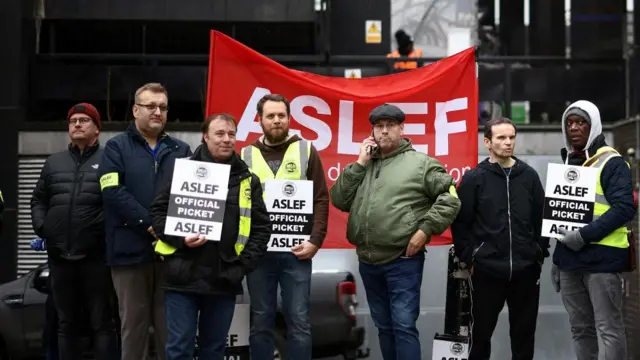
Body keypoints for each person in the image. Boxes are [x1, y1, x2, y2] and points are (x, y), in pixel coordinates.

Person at [330, 104, 460, 360]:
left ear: (402, 128)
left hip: (403, 260)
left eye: (390, 126)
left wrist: (425, 230)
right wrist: (359, 162)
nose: (385, 131)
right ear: (372, 132)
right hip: (368, 260)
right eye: (379, 126)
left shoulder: (421, 163)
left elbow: (450, 196)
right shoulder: (363, 164)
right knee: (384, 328)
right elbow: (339, 199)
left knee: (403, 327)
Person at [150, 113, 271, 359]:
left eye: (231, 134)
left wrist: (242, 266)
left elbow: (261, 229)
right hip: (182, 276)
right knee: (179, 349)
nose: (226, 139)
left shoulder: (248, 180)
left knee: (214, 350)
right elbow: (157, 211)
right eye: (219, 134)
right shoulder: (182, 169)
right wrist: (180, 238)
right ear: (205, 137)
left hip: (224, 279)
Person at [99, 83, 192, 360]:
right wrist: (150, 224)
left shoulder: (182, 149)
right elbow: (112, 190)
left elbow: (189, 195)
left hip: (172, 254)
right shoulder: (116, 147)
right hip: (128, 253)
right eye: (151, 106)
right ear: (135, 109)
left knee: (171, 330)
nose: (157, 112)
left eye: (162, 107)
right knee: (133, 328)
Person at [240, 94, 330, 360]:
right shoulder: (245, 154)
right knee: (260, 322)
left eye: (282, 115)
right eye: (271, 116)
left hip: (297, 252)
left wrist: (315, 240)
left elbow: (321, 198)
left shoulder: (306, 150)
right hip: (258, 255)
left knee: (299, 323)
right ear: (260, 120)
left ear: (289, 118)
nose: (277, 120)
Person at [451, 117, 549, 360]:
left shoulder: (529, 176)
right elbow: (461, 223)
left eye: (511, 137)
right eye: (501, 138)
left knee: (524, 336)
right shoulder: (475, 178)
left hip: (525, 270)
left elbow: (542, 218)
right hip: (487, 272)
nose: (508, 143)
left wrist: (538, 252)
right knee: (481, 335)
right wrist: (471, 257)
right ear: (488, 142)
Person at [30, 103, 118, 360]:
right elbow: (38, 200)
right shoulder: (53, 162)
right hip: (60, 259)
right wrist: (43, 227)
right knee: (65, 324)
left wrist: (99, 232)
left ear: (97, 129)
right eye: (73, 121)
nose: (77, 124)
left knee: (102, 323)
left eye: (84, 120)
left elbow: (115, 202)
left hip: (96, 258)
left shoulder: (109, 161)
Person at [550, 100, 636, 360]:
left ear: (594, 126)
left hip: (603, 261)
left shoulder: (612, 163)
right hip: (570, 263)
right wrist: (558, 259)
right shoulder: (567, 163)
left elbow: (624, 209)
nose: (574, 128)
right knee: (580, 330)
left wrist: (583, 236)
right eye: (570, 123)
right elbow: (561, 215)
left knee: (608, 329)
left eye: (581, 122)